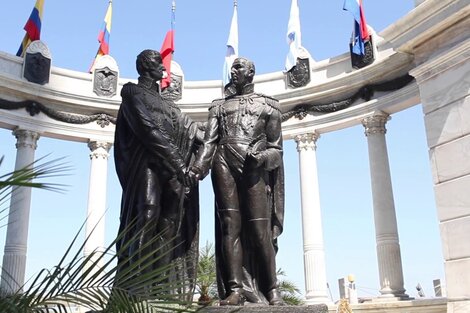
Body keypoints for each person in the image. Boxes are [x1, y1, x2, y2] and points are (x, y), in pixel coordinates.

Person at [187, 57, 285, 306]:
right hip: (223, 162)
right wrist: (199, 166)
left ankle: (272, 290)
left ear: (251, 72)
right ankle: (235, 289)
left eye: (239, 67)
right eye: (233, 67)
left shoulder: (269, 106)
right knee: (230, 226)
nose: (234, 71)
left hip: (254, 167)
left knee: (259, 229)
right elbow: (209, 142)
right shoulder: (218, 107)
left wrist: (261, 157)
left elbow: (277, 150)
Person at [113, 49, 200, 297]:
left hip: (171, 169)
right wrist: (179, 164)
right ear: (145, 66)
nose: (163, 69)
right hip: (147, 164)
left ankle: (160, 286)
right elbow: (147, 129)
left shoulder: (169, 105)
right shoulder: (131, 92)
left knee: (169, 224)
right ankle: (137, 285)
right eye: (158, 64)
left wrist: (197, 161)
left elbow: (189, 132)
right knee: (147, 214)